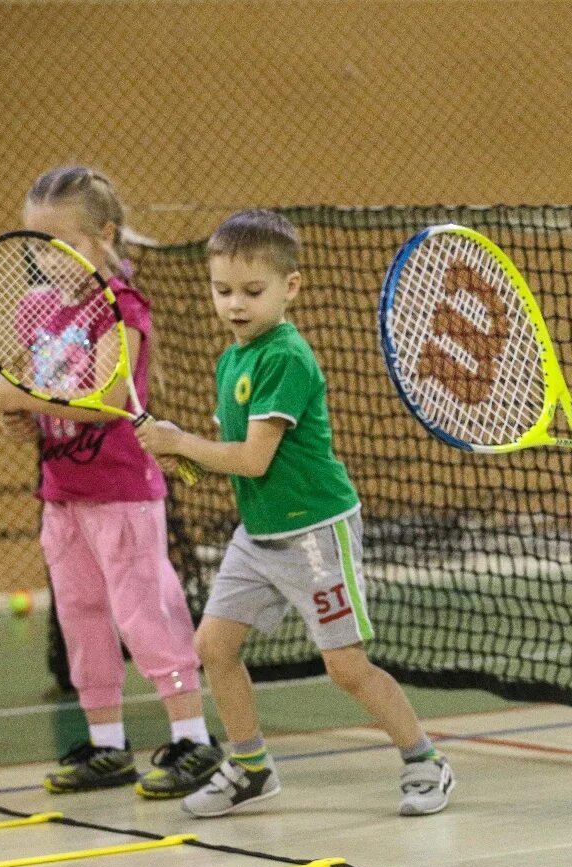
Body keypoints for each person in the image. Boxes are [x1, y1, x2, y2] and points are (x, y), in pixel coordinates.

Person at [136, 208, 454, 818]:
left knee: (346, 667)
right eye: (222, 290)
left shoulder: (285, 357)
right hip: (259, 535)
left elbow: (255, 459)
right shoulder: (232, 360)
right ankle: (252, 767)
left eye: (252, 292)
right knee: (214, 646)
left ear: (292, 288)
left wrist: (179, 444)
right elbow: (229, 459)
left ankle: (425, 761)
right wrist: (188, 463)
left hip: (315, 534)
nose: (235, 304)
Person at [0, 166, 222, 798]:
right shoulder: (34, 311)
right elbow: (38, 421)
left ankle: (192, 736)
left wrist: (27, 394)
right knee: (82, 619)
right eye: (34, 245)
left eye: (61, 244)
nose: (44, 260)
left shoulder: (122, 308)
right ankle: (107, 746)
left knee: (146, 615)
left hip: (124, 493)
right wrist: (18, 419)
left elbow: (108, 397)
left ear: (104, 236)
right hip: (62, 497)